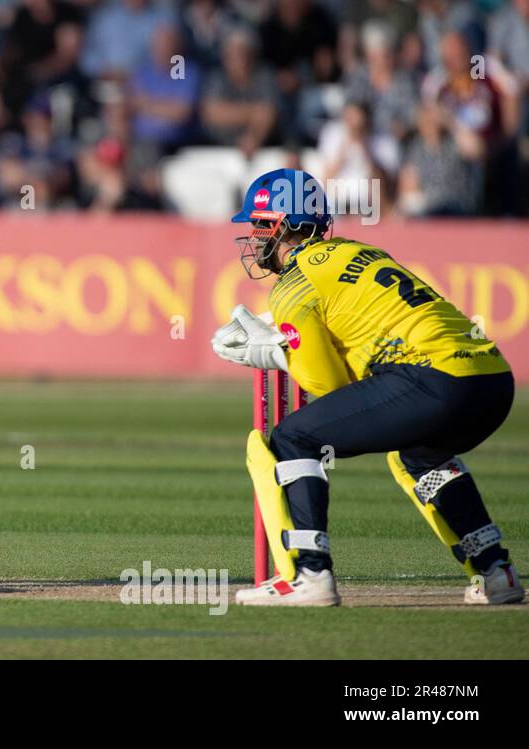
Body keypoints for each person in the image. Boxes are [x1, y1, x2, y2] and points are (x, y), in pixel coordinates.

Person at [211, 168, 521, 607]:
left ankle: (310, 575)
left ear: (289, 226)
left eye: (260, 224)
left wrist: (275, 353)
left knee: (293, 437)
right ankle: (496, 570)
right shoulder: (359, 251)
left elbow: (329, 385)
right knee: (421, 453)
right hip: (491, 380)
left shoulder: (295, 284)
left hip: (433, 379)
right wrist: (286, 338)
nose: (253, 236)